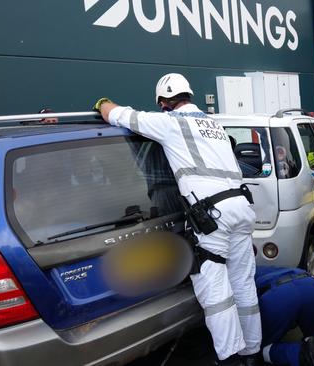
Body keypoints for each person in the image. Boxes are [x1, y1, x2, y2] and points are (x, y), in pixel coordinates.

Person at [94, 73, 262, 366]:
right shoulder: (215, 125)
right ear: (189, 95)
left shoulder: (169, 123)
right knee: (244, 285)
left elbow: (118, 115)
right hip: (241, 209)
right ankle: (252, 354)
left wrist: (102, 103)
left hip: (213, 218)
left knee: (217, 295)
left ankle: (231, 360)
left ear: (163, 103)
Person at [255, 266, 314, 366]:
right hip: (310, 284)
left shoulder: (239, 274)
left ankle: (303, 354)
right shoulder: (260, 267)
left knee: (255, 349)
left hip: (279, 294)